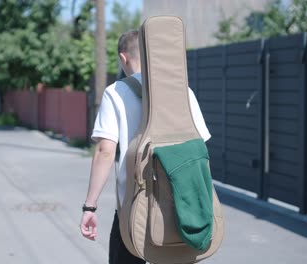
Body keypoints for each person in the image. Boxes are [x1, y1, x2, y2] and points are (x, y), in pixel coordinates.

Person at [80, 30, 211, 264]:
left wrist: (89, 207)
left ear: (123, 58)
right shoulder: (183, 91)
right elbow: (200, 147)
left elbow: (105, 151)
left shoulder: (116, 92)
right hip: (181, 205)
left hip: (133, 209)